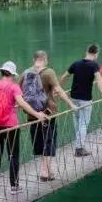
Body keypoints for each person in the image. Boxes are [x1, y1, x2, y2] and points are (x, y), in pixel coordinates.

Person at [0, 62, 46, 194]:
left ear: (2, 73)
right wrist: (36, 114)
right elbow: (22, 103)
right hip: (11, 125)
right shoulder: (14, 87)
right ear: (12, 74)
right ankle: (14, 186)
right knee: (13, 155)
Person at [21, 51, 75, 181]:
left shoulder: (25, 73)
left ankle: (48, 170)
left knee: (39, 142)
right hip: (47, 113)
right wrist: (71, 105)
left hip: (32, 113)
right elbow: (58, 90)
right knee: (48, 141)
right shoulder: (48, 72)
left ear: (34, 59)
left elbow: (18, 94)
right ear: (45, 59)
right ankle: (45, 172)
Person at [62, 45, 102, 158]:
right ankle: (79, 148)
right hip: (85, 99)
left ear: (87, 51)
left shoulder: (76, 63)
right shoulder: (94, 65)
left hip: (74, 98)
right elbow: (99, 80)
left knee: (77, 122)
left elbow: (65, 76)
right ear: (96, 53)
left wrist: (58, 88)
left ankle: (79, 145)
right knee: (83, 123)